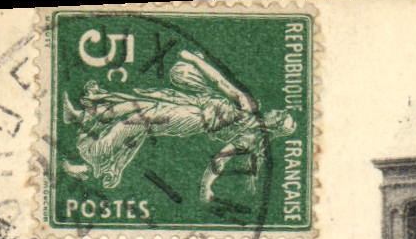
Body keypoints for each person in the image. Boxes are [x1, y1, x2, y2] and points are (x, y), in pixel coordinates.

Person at [61, 49, 297, 202]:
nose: (277, 110)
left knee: (137, 118)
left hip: (193, 116)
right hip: (193, 109)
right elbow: (219, 161)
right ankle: (80, 119)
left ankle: (91, 159)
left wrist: (193, 59)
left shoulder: (248, 107)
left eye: (280, 114)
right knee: (138, 107)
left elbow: (219, 81)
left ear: (274, 121)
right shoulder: (249, 140)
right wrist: (206, 188)